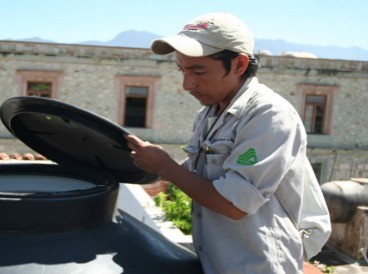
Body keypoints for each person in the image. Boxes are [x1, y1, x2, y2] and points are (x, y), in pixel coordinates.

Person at [125, 12, 312, 273]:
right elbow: (199, 174)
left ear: (239, 65)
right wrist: (147, 163)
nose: (187, 84)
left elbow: (234, 204)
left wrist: (166, 167)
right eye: (183, 70)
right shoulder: (210, 114)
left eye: (198, 71)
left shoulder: (270, 116)